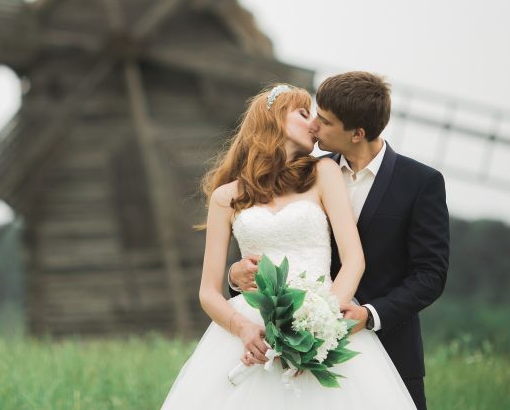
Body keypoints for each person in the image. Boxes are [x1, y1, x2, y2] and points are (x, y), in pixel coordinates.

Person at [161, 83, 418, 408]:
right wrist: (243, 330)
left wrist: (323, 323)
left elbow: (354, 260)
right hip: (254, 324)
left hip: (322, 315)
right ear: (273, 119)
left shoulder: (323, 172)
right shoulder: (226, 197)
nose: (315, 123)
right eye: (303, 113)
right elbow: (208, 292)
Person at [227, 72, 449, 410]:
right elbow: (270, 235)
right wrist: (237, 278)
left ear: (357, 134)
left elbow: (430, 275)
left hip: (388, 346)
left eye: (325, 121)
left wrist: (369, 314)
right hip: (293, 339)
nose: (314, 125)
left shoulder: (420, 183)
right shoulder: (305, 173)